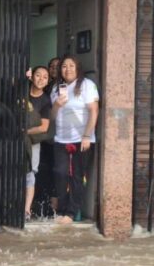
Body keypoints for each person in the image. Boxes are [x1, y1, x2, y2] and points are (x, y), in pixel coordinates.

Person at [50, 55, 99, 225]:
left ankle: (71, 213)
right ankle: (61, 210)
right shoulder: (56, 88)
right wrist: (57, 105)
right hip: (61, 139)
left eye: (71, 65)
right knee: (60, 174)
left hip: (82, 139)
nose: (68, 69)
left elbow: (94, 111)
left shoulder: (87, 85)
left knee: (77, 176)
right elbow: (52, 117)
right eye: (64, 66)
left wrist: (87, 135)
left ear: (77, 68)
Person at [25, 66, 52, 221]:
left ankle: (26, 210)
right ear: (32, 76)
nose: (41, 79)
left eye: (45, 77)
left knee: (30, 173)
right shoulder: (22, 91)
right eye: (38, 75)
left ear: (48, 81)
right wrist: (22, 78)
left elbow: (44, 127)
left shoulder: (46, 101)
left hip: (33, 141)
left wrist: (25, 131)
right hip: (14, 139)